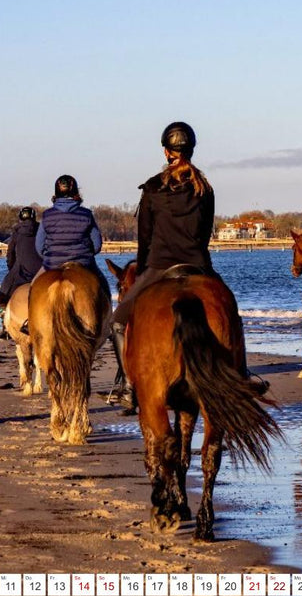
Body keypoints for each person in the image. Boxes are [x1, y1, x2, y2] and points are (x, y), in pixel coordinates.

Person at [108, 122, 218, 411]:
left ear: (167, 151)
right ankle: (240, 374)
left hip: (159, 267)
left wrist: (144, 270)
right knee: (227, 309)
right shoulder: (204, 188)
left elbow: (144, 238)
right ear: (190, 150)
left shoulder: (153, 187)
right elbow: (205, 233)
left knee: (117, 322)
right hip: (197, 263)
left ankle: (130, 388)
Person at [34, 175, 112, 301]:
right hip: (83, 263)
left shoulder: (47, 215)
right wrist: (87, 254)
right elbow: (97, 244)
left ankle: (29, 319)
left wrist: (50, 257)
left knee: (33, 287)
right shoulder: (86, 214)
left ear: (56, 192)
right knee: (103, 286)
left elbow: (39, 246)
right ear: (75, 191)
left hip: (52, 264)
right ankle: (108, 317)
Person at [0, 207, 43, 339]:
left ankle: (5, 323)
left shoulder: (16, 234)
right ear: (34, 218)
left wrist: (12, 269)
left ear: (20, 218)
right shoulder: (42, 231)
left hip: (21, 272)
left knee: (2, 295)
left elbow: (10, 255)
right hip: (41, 271)